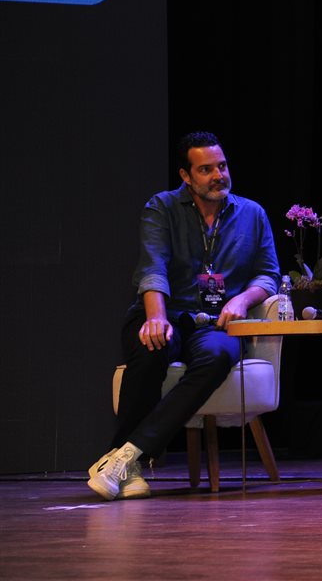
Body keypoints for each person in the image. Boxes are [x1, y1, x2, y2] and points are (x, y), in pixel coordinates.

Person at [88, 132, 280, 500]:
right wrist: (155, 318)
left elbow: (268, 274)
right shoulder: (161, 208)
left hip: (215, 322)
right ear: (186, 175)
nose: (217, 175)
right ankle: (131, 465)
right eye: (205, 169)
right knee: (151, 348)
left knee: (220, 355)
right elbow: (153, 267)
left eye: (221, 166)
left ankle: (125, 456)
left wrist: (242, 300)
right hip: (168, 312)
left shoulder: (252, 214)